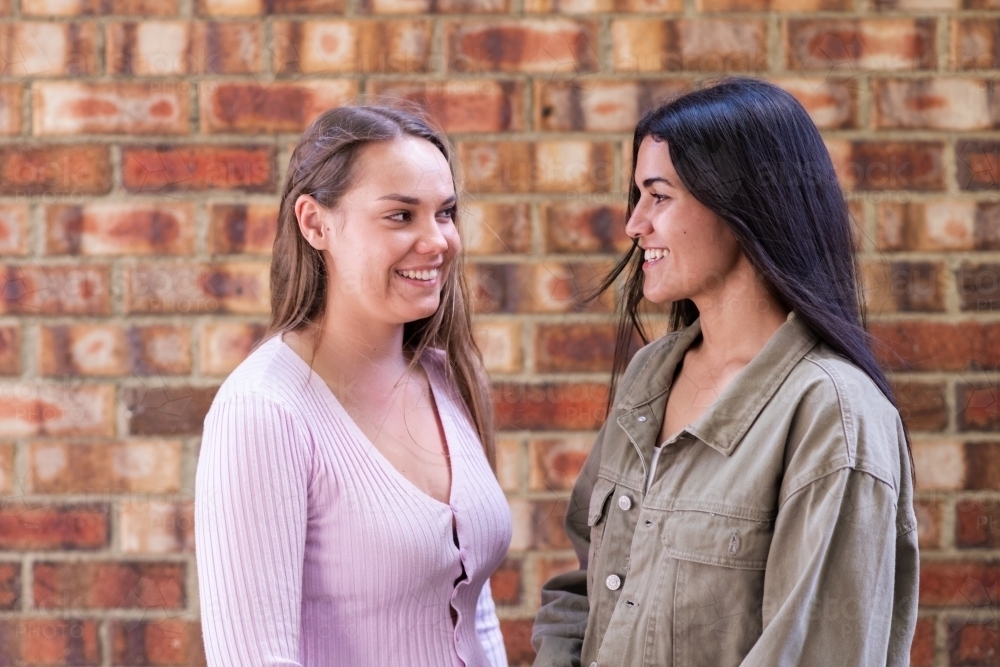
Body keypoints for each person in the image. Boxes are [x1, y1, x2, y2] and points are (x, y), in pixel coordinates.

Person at [530, 77, 918, 667]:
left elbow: (819, 652)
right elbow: (587, 589)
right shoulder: (649, 376)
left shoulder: (833, 414)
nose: (636, 225)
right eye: (638, 196)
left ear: (742, 208)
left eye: (659, 196)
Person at [195, 105, 512, 667]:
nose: (437, 241)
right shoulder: (264, 411)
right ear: (315, 224)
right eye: (400, 216)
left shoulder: (447, 375)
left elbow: (472, 608)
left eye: (445, 212)